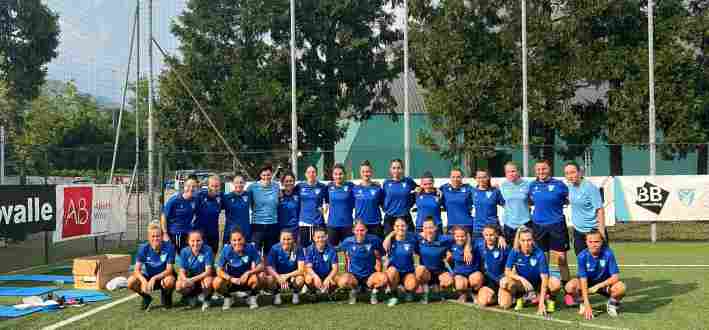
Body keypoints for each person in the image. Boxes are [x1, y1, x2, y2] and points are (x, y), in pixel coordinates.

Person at [565, 230, 625, 319]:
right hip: (588, 285)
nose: (593, 244)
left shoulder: (608, 253)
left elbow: (615, 277)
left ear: (602, 242)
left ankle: (612, 304)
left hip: (604, 285)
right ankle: (582, 303)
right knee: (570, 286)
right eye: (590, 242)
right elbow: (583, 280)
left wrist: (597, 286)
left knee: (621, 288)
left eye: (597, 241)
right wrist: (587, 304)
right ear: (586, 242)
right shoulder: (582, 256)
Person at [528, 160, 571, 283]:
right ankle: (544, 290)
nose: (541, 172)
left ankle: (568, 290)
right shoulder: (532, 186)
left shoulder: (559, 185)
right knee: (542, 260)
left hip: (557, 225)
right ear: (535, 171)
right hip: (538, 226)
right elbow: (530, 202)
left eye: (544, 169)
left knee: (561, 259)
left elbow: (567, 200)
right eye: (538, 169)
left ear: (549, 169)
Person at [503, 226, 561, 315]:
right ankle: (521, 297)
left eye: (529, 240)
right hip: (524, 284)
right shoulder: (514, 251)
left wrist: (541, 304)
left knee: (556, 283)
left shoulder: (539, 253)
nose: (526, 243)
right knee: (507, 282)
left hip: (539, 283)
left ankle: (549, 299)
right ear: (519, 241)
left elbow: (545, 279)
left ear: (533, 240)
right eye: (523, 240)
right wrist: (521, 279)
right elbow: (507, 271)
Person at [415, 217, 472, 304]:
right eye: (425, 228)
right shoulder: (418, 238)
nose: (428, 230)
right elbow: (400, 233)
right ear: (422, 229)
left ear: (436, 228)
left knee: (449, 281)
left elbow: (465, 234)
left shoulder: (444, 239)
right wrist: (389, 238)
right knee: (419, 270)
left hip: (440, 272)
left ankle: (438, 289)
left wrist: (467, 247)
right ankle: (425, 292)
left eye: (430, 227)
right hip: (426, 273)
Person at [337, 221, 389, 305]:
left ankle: (373, 292)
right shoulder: (348, 241)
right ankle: (353, 291)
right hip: (354, 276)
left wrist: (382, 268)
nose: (359, 233)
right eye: (357, 230)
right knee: (342, 281)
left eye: (362, 230)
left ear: (366, 230)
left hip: (370, 276)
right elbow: (336, 251)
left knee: (384, 278)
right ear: (353, 230)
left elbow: (383, 254)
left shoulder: (374, 240)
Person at [128, 223, 176, 311]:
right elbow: (136, 270)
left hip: (164, 277)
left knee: (170, 280)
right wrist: (143, 281)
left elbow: (169, 270)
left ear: (162, 236)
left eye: (158, 236)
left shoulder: (169, 247)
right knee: (131, 281)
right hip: (149, 277)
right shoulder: (143, 248)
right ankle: (146, 297)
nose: (155, 238)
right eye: (153, 236)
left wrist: (154, 278)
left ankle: (166, 296)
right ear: (149, 237)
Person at [564, 162, 607, 256]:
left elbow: (600, 210)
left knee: (599, 264)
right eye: (567, 173)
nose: (570, 176)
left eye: (572, 172)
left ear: (579, 173)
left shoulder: (590, 187)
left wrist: (601, 233)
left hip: (593, 231)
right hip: (578, 232)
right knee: (582, 262)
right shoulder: (569, 187)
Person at [213, 229, 262, 310]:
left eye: (240, 239)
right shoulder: (226, 250)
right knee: (216, 282)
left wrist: (248, 273)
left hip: (246, 280)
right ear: (230, 241)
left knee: (258, 277)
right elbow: (218, 270)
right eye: (234, 240)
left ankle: (252, 297)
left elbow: (261, 266)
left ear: (244, 239)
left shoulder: (250, 248)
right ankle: (228, 298)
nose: (237, 242)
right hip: (231, 282)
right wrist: (231, 278)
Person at [382, 218, 419, 306]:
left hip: (407, 272)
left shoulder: (412, 239)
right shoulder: (391, 240)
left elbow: (419, 250)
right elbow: (384, 246)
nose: (400, 228)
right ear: (393, 228)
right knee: (391, 271)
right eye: (397, 226)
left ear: (407, 227)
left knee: (412, 285)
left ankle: (407, 291)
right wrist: (391, 234)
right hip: (395, 273)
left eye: (403, 226)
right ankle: (394, 295)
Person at [264, 230, 306, 305]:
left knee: (301, 278)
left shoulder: (298, 248)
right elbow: (269, 267)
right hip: (278, 277)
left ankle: (295, 294)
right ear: (280, 239)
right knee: (269, 279)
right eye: (283, 239)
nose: (286, 242)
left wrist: (287, 276)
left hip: (292, 276)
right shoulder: (274, 248)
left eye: (289, 239)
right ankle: (276, 295)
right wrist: (278, 277)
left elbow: (301, 270)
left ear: (293, 239)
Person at [176, 230, 214, 311]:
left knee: (208, 282)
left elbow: (208, 272)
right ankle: (192, 297)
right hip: (191, 278)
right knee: (179, 285)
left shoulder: (208, 250)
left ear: (202, 240)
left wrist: (191, 280)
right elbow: (181, 271)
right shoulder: (184, 251)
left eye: (198, 240)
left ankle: (207, 300)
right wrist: (185, 280)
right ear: (188, 242)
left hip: (203, 277)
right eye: (192, 241)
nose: (195, 243)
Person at [476, 224, 512, 308]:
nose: (489, 237)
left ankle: (507, 294)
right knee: (482, 302)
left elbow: (513, 264)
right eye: (486, 235)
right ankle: (495, 297)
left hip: (502, 280)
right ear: (483, 235)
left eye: (491, 235)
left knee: (505, 305)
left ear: (496, 234)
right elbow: (466, 239)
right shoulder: (479, 246)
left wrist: (507, 277)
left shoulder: (503, 246)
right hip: (490, 281)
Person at [248, 164, 281, 255]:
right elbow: (248, 203)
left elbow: (279, 201)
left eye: (268, 175)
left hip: (273, 224)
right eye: (264, 175)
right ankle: (257, 269)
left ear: (271, 175)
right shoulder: (252, 187)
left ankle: (267, 269)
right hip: (258, 225)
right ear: (260, 175)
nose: (266, 177)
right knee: (255, 253)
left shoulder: (276, 186)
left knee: (270, 253)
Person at [382, 159, 417, 235]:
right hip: (390, 218)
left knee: (411, 240)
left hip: (405, 216)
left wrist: (436, 189)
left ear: (402, 169)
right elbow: (382, 198)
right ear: (390, 170)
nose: (396, 170)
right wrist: (386, 209)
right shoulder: (386, 183)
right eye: (394, 168)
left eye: (399, 168)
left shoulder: (408, 181)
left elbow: (422, 188)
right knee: (388, 242)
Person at [499, 162, 531, 246]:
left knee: (525, 252)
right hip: (509, 224)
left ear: (519, 172)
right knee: (510, 253)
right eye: (508, 172)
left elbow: (532, 201)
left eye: (513, 171)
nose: (511, 174)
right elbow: (502, 202)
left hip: (524, 223)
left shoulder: (528, 185)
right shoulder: (502, 186)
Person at [160, 178, 198, 251]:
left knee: (187, 255)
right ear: (184, 187)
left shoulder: (195, 200)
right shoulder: (174, 200)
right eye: (188, 186)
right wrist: (165, 233)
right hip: (176, 233)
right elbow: (164, 216)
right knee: (179, 255)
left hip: (188, 233)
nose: (191, 188)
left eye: (194, 186)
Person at [450, 225, 483, 303]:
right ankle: (463, 294)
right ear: (454, 236)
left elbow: (485, 239)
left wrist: (468, 245)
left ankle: (474, 293)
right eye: (457, 236)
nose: (460, 238)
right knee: (460, 284)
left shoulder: (474, 244)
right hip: (460, 274)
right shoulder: (451, 245)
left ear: (467, 236)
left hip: (473, 273)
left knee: (477, 279)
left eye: (462, 236)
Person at [296, 165, 328, 248]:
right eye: (309, 172)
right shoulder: (300, 186)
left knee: (319, 247)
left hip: (318, 222)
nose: (311, 174)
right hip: (304, 223)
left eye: (313, 172)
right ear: (305, 174)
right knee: (304, 248)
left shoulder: (322, 187)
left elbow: (328, 202)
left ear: (316, 174)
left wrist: (325, 209)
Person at [324, 164, 355, 247]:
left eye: (340, 174)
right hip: (332, 225)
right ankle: (337, 261)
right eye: (336, 174)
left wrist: (374, 183)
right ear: (332, 175)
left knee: (347, 251)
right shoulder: (328, 187)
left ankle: (343, 261)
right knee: (332, 251)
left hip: (347, 225)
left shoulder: (351, 186)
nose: (338, 176)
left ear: (344, 174)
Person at [303, 227, 339, 296]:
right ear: (313, 238)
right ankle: (312, 292)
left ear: (326, 237)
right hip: (315, 275)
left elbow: (335, 268)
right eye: (318, 237)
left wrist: (328, 278)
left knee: (337, 279)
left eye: (322, 237)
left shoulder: (332, 249)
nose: (320, 239)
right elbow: (308, 268)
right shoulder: (310, 249)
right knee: (308, 279)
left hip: (328, 275)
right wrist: (315, 277)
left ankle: (330, 292)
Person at [471, 169, 505, 242]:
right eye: (479, 177)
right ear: (476, 178)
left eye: (484, 177)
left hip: (493, 228)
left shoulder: (495, 191)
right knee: (478, 251)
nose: (481, 179)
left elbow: (506, 205)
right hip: (478, 229)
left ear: (489, 177)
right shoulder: (472, 191)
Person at [353, 160, 385, 238]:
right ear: (360, 173)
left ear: (371, 172)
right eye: (363, 171)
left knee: (376, 248)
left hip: (375, 224)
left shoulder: (378, 188)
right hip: (360, 226)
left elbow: (383, 204)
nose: (365, 174)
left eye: (367, 171)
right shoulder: (355, 189)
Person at [194, 176, 224, 253]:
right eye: (212, 186)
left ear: (220, 186)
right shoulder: (200, 195)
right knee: (201, 256)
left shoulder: (221, 196)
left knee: (213, 254)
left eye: (217, 186)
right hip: (201, 232)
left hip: (214, 232)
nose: (214, 188)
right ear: (208, 186)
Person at [439, 168, 474, 233]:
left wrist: (491, 187)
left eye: (458, 177)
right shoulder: (444, 188)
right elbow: (431, 190)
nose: (455, 179)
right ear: (450, 177)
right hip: (451, 226)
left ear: (462, 177)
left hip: (467, 225)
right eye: (453, 177)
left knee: (468, 243)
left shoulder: (468, 188)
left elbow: (480, 191)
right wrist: (420, 188)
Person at [223, 175, 251, 244]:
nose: (239, 184)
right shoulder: (226, 197)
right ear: (233, 183)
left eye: (241, 182)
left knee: (246, 254)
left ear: (245, 183)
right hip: (230, 232)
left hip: (245, 231)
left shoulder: (249, 195)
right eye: (236, 182)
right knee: (228, 254)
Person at [278, 172, 300, 241]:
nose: (289, 183)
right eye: (286, 181)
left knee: (295, 250)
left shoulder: (298, 194)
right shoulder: (278, 194)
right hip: (281, 228)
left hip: (295, 228)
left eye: (291, 181)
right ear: (282, 183)